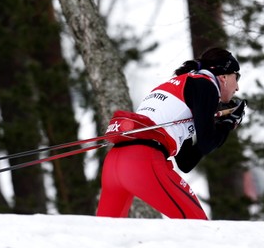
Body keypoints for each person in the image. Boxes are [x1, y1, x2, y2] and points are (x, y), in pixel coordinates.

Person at [96, 47, 246, 219]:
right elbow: (207, 142)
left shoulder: (180, 84)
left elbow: (185, 161)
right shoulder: (206, 85)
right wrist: (229, 124)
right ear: (224, 76)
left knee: (106, 239)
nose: (238, 87)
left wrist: (220, 123)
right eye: (237, 77)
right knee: (200, 228)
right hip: (143, 160)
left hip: (114, 162)